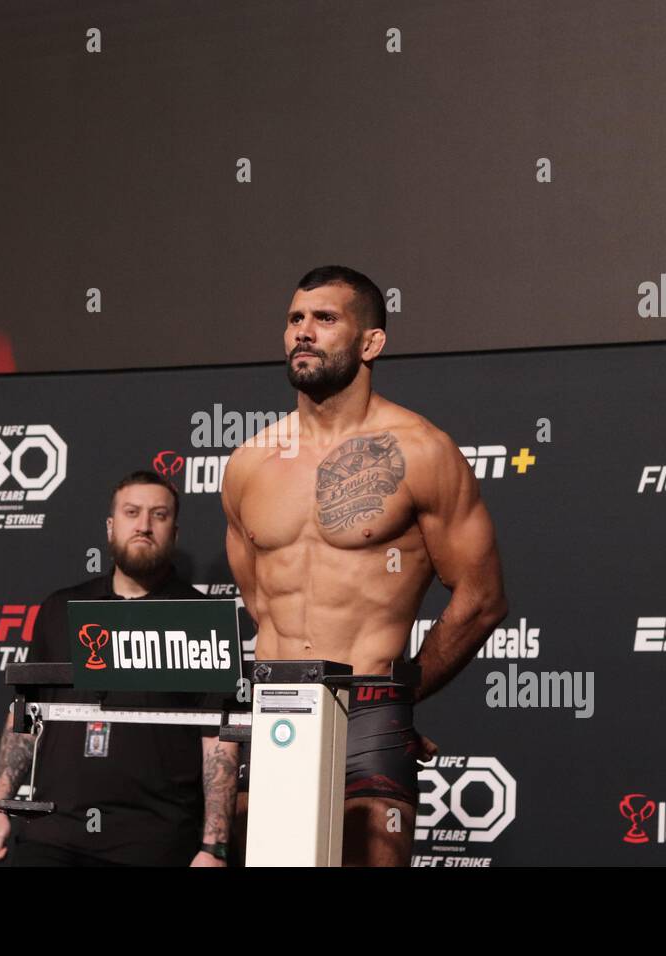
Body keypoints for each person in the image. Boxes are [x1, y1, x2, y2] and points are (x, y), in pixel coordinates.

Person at [222, 265, 509, 866]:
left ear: (371, 342)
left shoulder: (421, 451)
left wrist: (397, 697)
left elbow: (480, 599)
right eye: (295, 319)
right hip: (273, 706)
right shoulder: (250, 462)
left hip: (368, 714)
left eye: (325, 320)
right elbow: (258, 599)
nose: (303, 331)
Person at [0, 470, 238, 866]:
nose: (144, 525)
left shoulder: (201, 618)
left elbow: (219, 739)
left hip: (154, 841)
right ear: (111, 527)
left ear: (175, 532)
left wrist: (213, 846)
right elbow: (24, 712)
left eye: (159, 515)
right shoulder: (60, 609)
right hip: (53, 833)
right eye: (132, 512)